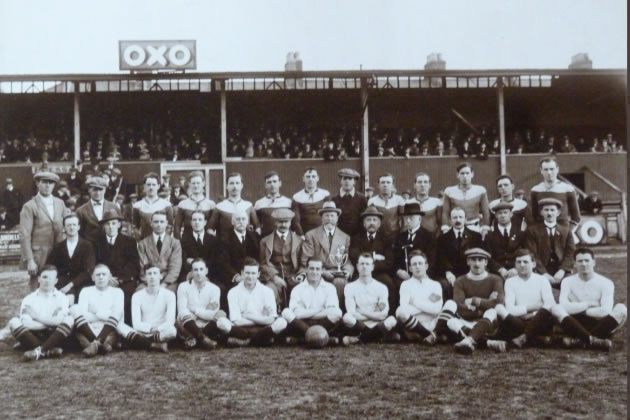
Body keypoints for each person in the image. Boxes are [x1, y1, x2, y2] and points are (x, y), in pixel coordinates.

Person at [550, 248, 627, 351]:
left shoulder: (606, 282)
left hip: (599, 322)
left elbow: (605, 311)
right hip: (575, 323)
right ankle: (594, 340)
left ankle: (580, 341)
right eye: (580, 261)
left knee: (621, 309)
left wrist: (579, 309)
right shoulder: (567, 281)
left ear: (593, 262)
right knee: (556, 308)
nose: (584, 264)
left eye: (587, 260)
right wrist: (588, 304)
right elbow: (564, 306)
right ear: (575, 264)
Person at [439, 248, 505, 355]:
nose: (477, 263)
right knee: (451, 322)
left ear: (486, 262)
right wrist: (487, 302)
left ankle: (469, 340)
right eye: (473, 259)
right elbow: (459, 307)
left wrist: (473, 300)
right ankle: (488, 343)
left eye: (480, 260)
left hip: (487, 324)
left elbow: (499, 303)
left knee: (493, 311)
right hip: (466, 321)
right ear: (468, 262)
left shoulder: (495, 279)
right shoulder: (460, 281)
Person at [493, 249, 556, 350]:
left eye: (525, 262)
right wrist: (533, 308)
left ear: (534, 264)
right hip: (519, 321)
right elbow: (510, 309)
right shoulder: (510, 282)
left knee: (549, 312)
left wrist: (534, 315)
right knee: (500, 308)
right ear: (515, 264)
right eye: (519, 262)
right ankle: (536, 339)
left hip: (539, 320)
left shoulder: (542, 280)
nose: (522, 265)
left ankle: (524, 337)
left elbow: (549, 304)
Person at [8, 265, 74, 361]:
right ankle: (48, 350)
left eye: (51, 278)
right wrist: (50, 323)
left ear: (56, 281)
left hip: (55, 335)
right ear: (39, 279)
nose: (47, 281)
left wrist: (36, 317)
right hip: (34, 334)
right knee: (14, 322)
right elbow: (27, 323)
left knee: (69, 319)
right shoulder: (29, 299)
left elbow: (59, 321)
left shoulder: (62, 298)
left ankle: (39, 350)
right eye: (44, 277)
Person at [19, 170, 67, 290]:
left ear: (54, 185)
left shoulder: (60, 203)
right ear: (37, 183)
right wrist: (30, 260)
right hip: (39, 255)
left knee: (58, 284)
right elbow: (24, 235)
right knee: (37, 287)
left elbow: (66, 225)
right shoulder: (29, 206)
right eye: (44, 182)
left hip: (58, 252)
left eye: (51, 183)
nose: (47, 185)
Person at [223, 258, 288, 346]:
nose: (250, 276)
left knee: (282, 322)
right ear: (242, 273)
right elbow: (236, 321)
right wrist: (261, 319)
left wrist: (247, 316)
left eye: (253, 273)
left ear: (258, 274)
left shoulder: (267, 291)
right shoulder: (233, 292)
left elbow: (271, 319)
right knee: (222, 322)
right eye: (247, 273)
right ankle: (261, 340)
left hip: (262, 328)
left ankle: (247, 342)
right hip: (242, 329)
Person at [301, 201, 353, 307]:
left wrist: (347, 271)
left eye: (332, 216)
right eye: (326, 215)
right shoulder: (311, 235)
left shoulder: (345, 237)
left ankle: (337, 312)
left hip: (336, 272)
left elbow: (347, 259)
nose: (329, 218)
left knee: (340, 282)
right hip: (317, 270)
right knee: (314, 279)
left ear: (337, 218)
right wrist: (322, 272)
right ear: (321, 218)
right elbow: (305, 259)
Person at [281, 258, 342, 345]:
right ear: (306, 269)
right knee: (286, 312)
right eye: (311, 268)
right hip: (303, 322)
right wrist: (320, 309)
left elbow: (332, 310)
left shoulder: (330, 287)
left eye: (318, 269)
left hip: (323, 322)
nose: (314, 272)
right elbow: (297, 313)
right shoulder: (297, 289)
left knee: (338, 312)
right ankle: (323, 338)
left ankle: (300, 340)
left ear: (322, 270)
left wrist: (308, 314)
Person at [117, 264, 177, 353]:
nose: (152, 276)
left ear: (161, 276)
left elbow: (170, 321)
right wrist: (150, 329)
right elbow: (136, 323)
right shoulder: (137, 296)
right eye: (149, 274)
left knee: (172, 331)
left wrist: (158, 329)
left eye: (155, 273)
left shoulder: (169, 295)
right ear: (145, 277)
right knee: (119, 326)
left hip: (160, 331)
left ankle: (140, 343)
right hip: (142, 331)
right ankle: (153, 345)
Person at [94, 209, 140, 324]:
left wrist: (119, 280)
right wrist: (107, 279)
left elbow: (133, 264)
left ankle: (125, 329)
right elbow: (95, 264)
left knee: (126, 298)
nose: (111, 227)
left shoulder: (129, 241)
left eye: (114, 223)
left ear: (119, 224)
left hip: (124, 280)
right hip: (103, 280)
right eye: (108, 224)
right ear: (104, 226)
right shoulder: (96, 242)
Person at [341, 253, 397, 345]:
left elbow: (383, 315)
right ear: (357, 266)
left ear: (372, 267)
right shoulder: (350, 287)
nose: (364, 267)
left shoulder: (381, 287)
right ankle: (378, 336)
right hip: (359, 323)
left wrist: (362, 312)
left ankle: (359, 339)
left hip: (377, 323)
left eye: (367, 264)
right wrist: (374, 315)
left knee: (392, 320)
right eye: (362, 264)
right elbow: (351, 313)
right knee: (347, 317)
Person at [70, 264, 125, 357]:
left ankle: (93, 345)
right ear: (92, 278)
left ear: (110, 277)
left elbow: (118, 316)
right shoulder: (85, 291)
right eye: (98, 275)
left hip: (108, 330)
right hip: (88, 329)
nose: (101, 277)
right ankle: (101, 345)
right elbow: (82, 315)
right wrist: (106, 315)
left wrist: (96, 312)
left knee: (112, 332)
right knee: (74, 308)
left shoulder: (118, 292)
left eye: (104, 274)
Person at [176, 259, 230, 350]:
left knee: (222, 320)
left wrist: (195, 310)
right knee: (184, 312)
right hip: (188, 326)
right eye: (195, 270)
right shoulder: (183, 287)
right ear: (192, 272)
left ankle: (195, 340)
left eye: (201, 269)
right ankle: (203, 338)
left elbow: (212, 314)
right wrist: (202, 313)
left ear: (206, 271)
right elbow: (182, 311)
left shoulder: (215, 289)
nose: (198, 273)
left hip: (206, 325)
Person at [350, 206, 396, 312]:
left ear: (379, 224)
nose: (371, 222)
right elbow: (354, 257)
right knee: (352, 284)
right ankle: (353, 313)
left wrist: (368, 264)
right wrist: (374, 256)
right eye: (368, 220)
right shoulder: (356, 238)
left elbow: (389, 262)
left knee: (388, 282)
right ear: (364, 223)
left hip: (379, 273)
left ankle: (389, 314)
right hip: (361, 273)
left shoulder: (386, 239)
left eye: (374, 220)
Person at [524, 198, 575, 289]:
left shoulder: (566, 231)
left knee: (572, 286)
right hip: (540, 269)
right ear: (541, 212)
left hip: (561, 270)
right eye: (546, 210)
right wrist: (543, 273)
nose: (549, 213)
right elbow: (532, 254)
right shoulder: (532, 231)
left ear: (558, 213)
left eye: (552, 210)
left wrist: (562, 271)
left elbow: (570, 253)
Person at [436, 207, 484, 300]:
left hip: (470, 271)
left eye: (460, 217)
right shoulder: (442, 239)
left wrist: (472, 271)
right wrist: (448, 272)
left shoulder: (476, 237)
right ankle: (449, 308)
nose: (458, 220)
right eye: (454, 217)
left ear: (465, 219)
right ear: (450, 220)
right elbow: (441, 258)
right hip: (451, 273)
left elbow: (479, 256)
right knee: (445, 284)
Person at [46, 213, 96, 303]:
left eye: (74, 225)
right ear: (64, 228)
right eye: (68, 225)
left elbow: (88, 270)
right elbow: (50, 267)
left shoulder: (87, 246)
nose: (72, 227)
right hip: (62, 283)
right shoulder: (58, 247)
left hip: (82, 283)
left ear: (78, 227)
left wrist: (70, 285)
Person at [395, 251, 443, 344]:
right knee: (400, 311)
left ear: (426, 266)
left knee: (449, 306)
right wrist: (427, 305)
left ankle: (422, 336)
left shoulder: (435, 285)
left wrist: (415, 302)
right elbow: (404, 308)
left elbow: (437, 309)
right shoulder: (406, 285)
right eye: (414, 264)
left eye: (420, 263)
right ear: (410, 268)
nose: (417, 266)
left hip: (432, 322)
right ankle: (429, 335)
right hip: (414, 323)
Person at [259, 208, 304, 308]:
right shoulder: (265, 241)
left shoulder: (299, 241)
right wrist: (274, 277)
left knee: (302, 290)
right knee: (269, 290)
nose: (283, 225)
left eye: (286, 222)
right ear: (275, 222)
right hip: (274, 277)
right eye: (280, 222)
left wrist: (298, 276)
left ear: (290, 222)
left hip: (294, 275)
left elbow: (303, 263)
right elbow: (263, 263)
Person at [219, 210, 260, 301]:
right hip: (233, 276)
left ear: (247, 221)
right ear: (232, 222)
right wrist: (236, 276)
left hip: (252, 275)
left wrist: (253, 274)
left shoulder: (254, 236)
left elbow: (258, 258)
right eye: (238, 219)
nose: (241, 221)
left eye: (243, 219)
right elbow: (223, 262)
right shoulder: (224, 238)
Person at [137, 210, 182, 293]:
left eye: (162, 222)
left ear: (166, 223)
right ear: (151, 223)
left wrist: (164, 284)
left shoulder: (175, 243)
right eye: (156, 222)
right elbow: (143, 266)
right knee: (139, 292)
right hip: (148, 281)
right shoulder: (143, 244)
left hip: (168, 282)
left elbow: (175, 267)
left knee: (170, 293)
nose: (159, 224)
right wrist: (152, 283)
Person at [441, 162, 490, 236]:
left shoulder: (480, 190)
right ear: (457, 175)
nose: (465, 176)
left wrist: (485, 228)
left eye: (467, 173)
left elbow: (486, 212)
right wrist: (445, 228)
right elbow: (445, 212)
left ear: (472, 174)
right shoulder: (449, 191)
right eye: (462, 173)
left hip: (474, 227)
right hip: (455, 227)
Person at [530, 156, 581, 227]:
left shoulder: (568, 189)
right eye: (546, 169)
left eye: (552, 169)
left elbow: (576, 217)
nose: (549, 172)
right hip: (542, 234)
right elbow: (533, 216)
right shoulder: (535, 190)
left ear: (557, 169)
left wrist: (568, 232)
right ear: (541, 170)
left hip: (563, 232)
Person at [208, 172, 260, 240]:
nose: (234, 186)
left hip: (245, 246)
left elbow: (258, 228)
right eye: (231, 183)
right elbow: (210, 229)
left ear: (241, 185)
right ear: (226, 186)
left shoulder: (248, 205)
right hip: (225, 247)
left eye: (237, 183)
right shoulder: (219, 207)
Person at [179, 210, 224, 286]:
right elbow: (183, 261)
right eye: (194, 220)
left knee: (221, 287)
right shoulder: (184, 240)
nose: (197, 222)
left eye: (200, 220)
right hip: (190, 273)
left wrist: (194, 261)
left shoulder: (214, 240)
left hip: (210, 273)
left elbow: (215, 260)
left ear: (205, 222)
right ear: (191, 222)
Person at [484, 202, 526, 280]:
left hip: (517, 271)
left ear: (511, 214)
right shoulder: (490, 235)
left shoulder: (520, 233)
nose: (503, 215)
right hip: (497, 273)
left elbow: (525, 253)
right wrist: (500, 269)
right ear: (496, 216)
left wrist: (516, 268)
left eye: (505, 212)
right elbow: (487, 256)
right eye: (500, 213)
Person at [254, 171, 301, 238]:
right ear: (265, 185)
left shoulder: (288, 202)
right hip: (266, 240)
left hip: (285, 240)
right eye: (269, 182)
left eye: (275, 181)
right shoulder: (259, 203)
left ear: (280, 183)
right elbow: (257, 225)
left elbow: (294, 224)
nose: (272, 184)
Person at [76, 176, 119, 244]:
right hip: (90, 248)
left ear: (105, 190)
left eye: (101, 190)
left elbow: (119, 227)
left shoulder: (114, 207)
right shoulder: (81, 211)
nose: (98, 193)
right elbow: (79, 232)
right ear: (89, 190)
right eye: (95, 190)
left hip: (110, 246)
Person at [173, 170, 216, 239]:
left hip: (206, 244)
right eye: (193, 183)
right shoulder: (183, 204)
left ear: (203, 183)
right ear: (189, 184)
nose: (196, 186)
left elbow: (214, 227)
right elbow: (177, 227)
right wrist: (179, 244)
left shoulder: (211, 204)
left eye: (198, 183)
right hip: (187, 243)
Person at [132, 172, 174, 240]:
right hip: (144, 243)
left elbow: (170, 226)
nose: (151, 187)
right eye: (148, 185)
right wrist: (140, 240)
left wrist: (162, 240)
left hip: (162, 243)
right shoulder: (137, 206)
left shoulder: (166, 205)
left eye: (153, 185)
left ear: (158, 186)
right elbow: (135, 227)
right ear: (144, 186)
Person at [292, 167, 330, 236]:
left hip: (323, 234)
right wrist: (301, 235)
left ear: (317, 178)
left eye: (313, 176)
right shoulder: (297, 197)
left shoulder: (325, 194)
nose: (311, 179)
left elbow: (330, 216)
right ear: (303, 179)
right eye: (308, 177)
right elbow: (296, 221)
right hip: (305, 234)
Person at [330, 168, 367, 237]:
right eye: (344, 179)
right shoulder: (334, 199)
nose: (347, 181)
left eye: (350, 179)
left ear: (354, 182)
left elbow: (363, 219)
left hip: (357, 235)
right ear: (341, 181)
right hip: (339, 235)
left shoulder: (362, 198)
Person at [367, 173, 405, 240]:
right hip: (378, 236)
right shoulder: (372, 201)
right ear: (378, 185)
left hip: (396, 236)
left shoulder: (399, 200)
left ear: (392, 185)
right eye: (382, 182)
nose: (385, 185)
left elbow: (403, 220)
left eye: (388, 182)